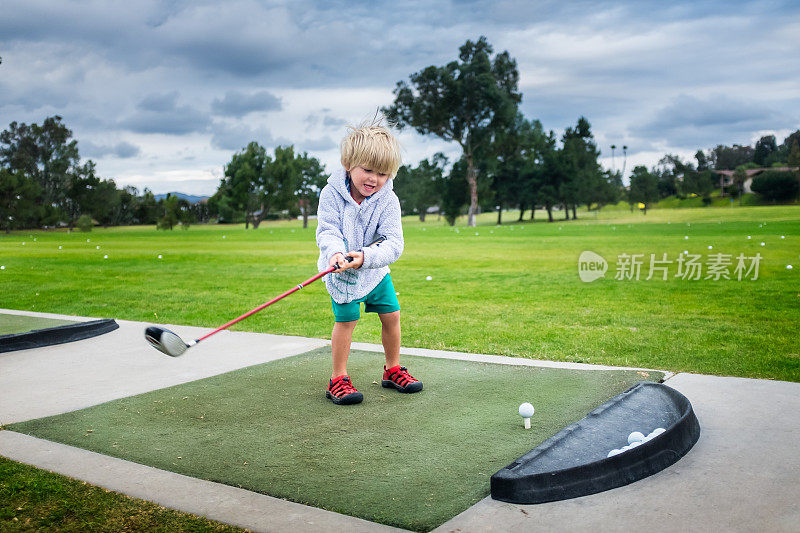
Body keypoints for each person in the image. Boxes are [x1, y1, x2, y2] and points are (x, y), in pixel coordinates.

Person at [315, 121, 422, 405]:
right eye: (368, 170)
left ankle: (392, 369)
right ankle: (338, 378)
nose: (374, 179)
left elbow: (394, 243)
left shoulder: (388, 200)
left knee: (392, 316)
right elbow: (328, 231)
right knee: (347, 321)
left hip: (374, 272)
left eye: (383, 173)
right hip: (340, 273)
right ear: (348, 164)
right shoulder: (330, 195)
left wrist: (365, 258)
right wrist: (335, 253)